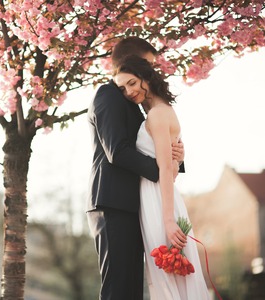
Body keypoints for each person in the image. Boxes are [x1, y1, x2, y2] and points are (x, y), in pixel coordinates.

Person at [86, 36, 185, 300]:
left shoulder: (135, 103)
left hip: (133, 203)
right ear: (135, 63)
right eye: (149, 65)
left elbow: (148, 145)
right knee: (118, 287)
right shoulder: (108, 94)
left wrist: (176, 159)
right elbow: (116, 151)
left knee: (132, 289)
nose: (151, 72)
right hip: (112, 203)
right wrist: (162, 169)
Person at [113, 54, 210, 299]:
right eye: (123, 88)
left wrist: (167, 220)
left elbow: (166, 170)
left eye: (132, 83)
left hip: (159, 201)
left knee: (167, 278)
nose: (128, 92)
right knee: (167, 278)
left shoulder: (157, 115)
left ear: (146, 77)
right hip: (156, 197)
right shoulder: (161, 112)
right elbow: (170, 163)